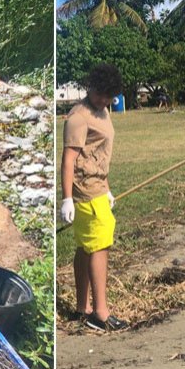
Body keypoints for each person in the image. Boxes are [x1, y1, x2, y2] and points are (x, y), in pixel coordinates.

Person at [60, 63, 129, 332]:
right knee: (100, 247)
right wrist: (67, 199)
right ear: (92, 88)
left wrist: (107, 186)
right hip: (86, 192)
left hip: (98, 186)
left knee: (85, 248)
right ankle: (100, 314)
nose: (106, 100)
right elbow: (69, 160)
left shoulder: (103, 111)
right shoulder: (79, 116)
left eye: (110, 96)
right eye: (102, 95)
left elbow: (97, 154)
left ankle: (82, 308)